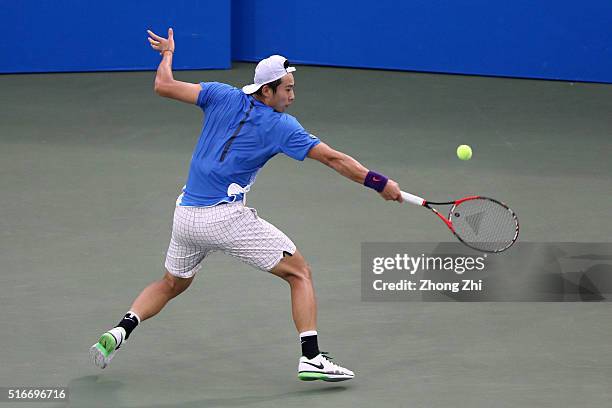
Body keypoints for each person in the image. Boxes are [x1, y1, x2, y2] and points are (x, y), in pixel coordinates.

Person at [90, 28, 402, 382]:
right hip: (223, 218)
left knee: (172, 283)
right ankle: (311, 358)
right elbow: (334, 159)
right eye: (287, 89)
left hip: (186, 216)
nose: (292, 96)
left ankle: (119, 331)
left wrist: (167, 55)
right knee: (300, 273)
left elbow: (164, 85)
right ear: (266, 90)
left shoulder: (220, 94)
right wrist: (380, 183)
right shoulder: (283, 127)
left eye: (293, 88)